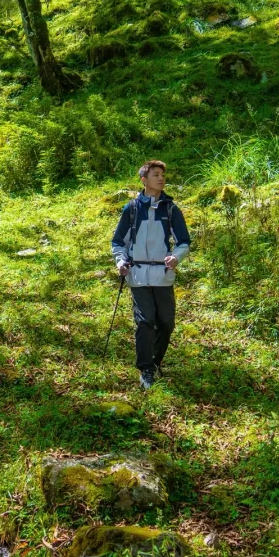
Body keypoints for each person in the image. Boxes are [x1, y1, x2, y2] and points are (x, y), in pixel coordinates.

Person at [110, 159, 191, 390]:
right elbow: (118, 242)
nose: (161, 178)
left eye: (162, 175)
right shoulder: (132, 209)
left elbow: (183, 241)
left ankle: (155, 362)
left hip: (162, 275)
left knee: (166, 322)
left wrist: (176, 257)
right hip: (137, 275)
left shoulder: (171, 209)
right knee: (145, 321)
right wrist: (121, 261)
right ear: (144, 179)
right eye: (155, 174)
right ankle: (146, 369)